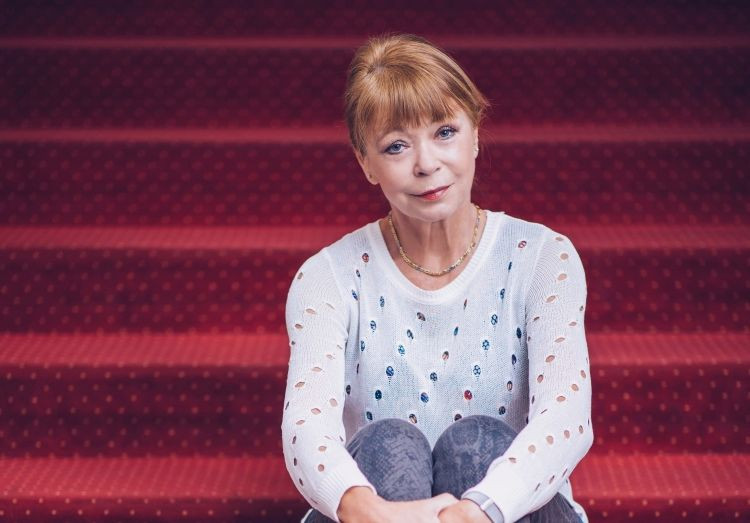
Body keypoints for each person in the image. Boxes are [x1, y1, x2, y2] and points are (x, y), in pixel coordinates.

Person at [281, 33, 593, 523]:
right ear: (365, 163)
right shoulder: (327, 277)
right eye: (396, 146)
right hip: (379, 514)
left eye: (445, 131)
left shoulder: (542, 258)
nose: (426, 164)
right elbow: (306, 427)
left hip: (511, 515)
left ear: (476, 134)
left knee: (477, 444)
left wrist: (478, 511)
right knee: (387, 443)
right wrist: (370, 510)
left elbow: (566, 418)